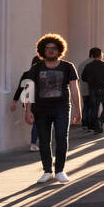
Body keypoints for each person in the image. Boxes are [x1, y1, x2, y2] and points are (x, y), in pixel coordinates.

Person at [24, 34, 82, 183]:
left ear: (59, 50)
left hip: (62, 108)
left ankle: (60, 170)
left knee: (62, 138)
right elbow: (29, 89)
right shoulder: (36, 68)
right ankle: (47, 171)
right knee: (44, 141)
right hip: (40, 109)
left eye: (54, 48)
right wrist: (27, 110)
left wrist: (78, 110)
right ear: (42, 50)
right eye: (47, 48)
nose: (50, 51)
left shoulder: (68, 67)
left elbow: (75, 89)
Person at [80, 47, 104, 133]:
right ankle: (100, 121)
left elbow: (83, 78)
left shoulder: (88, 66)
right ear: (100, 55)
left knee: (94, 108)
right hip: (103, 88)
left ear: (92, 56)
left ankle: (95, 126)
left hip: (92, 90)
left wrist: (91, 82)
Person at [10, 55, 40, 151]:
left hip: (28, 102)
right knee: (39, 123)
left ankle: (34, 143)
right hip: (39, 101)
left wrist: (14, 102)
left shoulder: (26, 74)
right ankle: (35, 143)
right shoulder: (42, 73)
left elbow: (19, 89)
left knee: (37, 123)